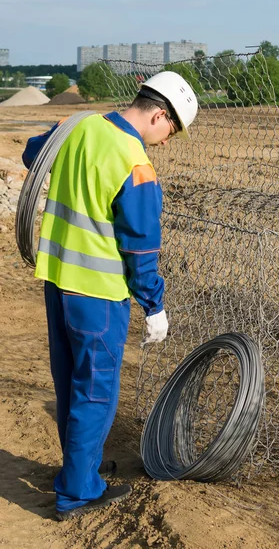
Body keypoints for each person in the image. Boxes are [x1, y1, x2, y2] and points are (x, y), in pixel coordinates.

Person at [21, 71, 198, 520]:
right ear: (159, 114)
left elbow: (31, 154)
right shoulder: (135, 163)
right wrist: (154, 304)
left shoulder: (80, 127)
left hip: (58, 283)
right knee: (95, 392)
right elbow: (140, 247)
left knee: (71, 384)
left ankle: (81, 467)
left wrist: (71, 152)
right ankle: (79, 490)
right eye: (170, 131)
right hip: (99, 296)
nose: (164, 142)